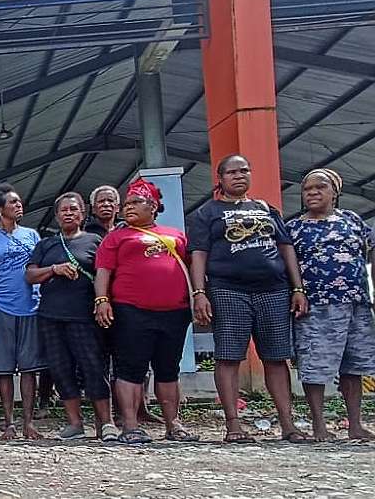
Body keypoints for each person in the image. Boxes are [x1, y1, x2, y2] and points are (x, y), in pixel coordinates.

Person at [188, 154, 310, 444]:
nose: (239, 175)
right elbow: (199, 254)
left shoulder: (267, 209)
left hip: (274, 289)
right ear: (220, 179)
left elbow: (286, 248)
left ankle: (288, 425)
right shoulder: (208, 212)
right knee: (228, 356)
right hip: (228, 289)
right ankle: (233, 426)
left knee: (277, 357)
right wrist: (199, 293)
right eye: (232, 172)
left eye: (244, 170)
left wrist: (298, 288)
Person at [94, 179, 199, 444]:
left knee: (168, 368)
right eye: (126, 204)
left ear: (153, 206)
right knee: (130, 368)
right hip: (131, 310)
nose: (128, 207)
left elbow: (192, 267)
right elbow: (103, 271)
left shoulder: (176, 235)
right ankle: (130, 425)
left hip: (174, 311)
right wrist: (102, 300)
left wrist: (199, 296)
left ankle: (173, 424)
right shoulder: (116, 237)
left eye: (135, 202)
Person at [286, 168, 375, 441]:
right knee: (315, 366)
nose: (312, 192)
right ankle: (319, 425)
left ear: (334, 192)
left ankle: (355, 424)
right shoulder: (295, 228)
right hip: (316, 305)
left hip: (356, 304)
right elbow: (287, 267)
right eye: (307, 189)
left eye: (319, 187)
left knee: (354, 366)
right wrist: (297, 291)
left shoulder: (353, 221)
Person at [26, 193, 114, 441]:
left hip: (84, 315)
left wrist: (102, 302)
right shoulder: (46, 245)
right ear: (56, 216)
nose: (68, 213)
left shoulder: (95, 241)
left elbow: (105, 274)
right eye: (63, 210)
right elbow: (30, 275)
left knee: (93, 367)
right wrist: (54, 269)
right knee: (60, 368)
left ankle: (105, 422)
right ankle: (75, 423)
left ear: (83, 214)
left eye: (73, 209)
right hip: (51, 316)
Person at [0, 184, 45, 440]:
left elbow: (38, 269)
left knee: (29, 368)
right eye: (13, 202)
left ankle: (28, 422)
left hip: (30, 306)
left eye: (19, 201)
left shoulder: (32, 235)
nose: (19, 205)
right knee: (3, 368)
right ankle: (9, 423)